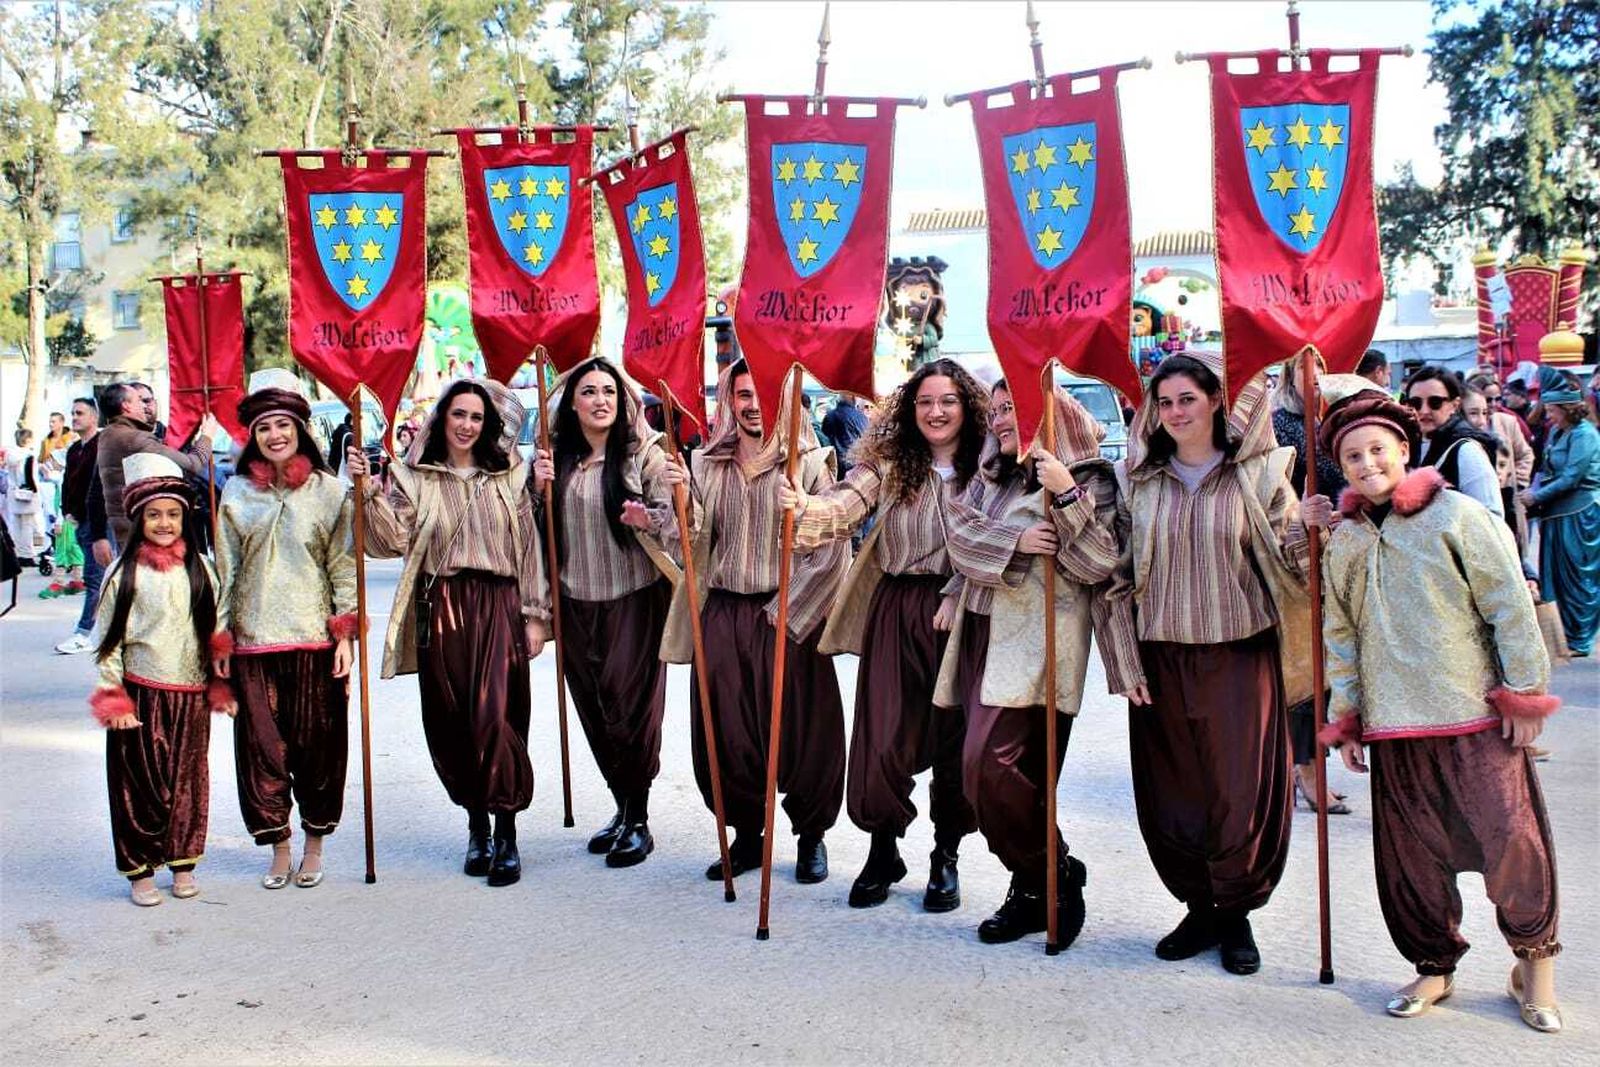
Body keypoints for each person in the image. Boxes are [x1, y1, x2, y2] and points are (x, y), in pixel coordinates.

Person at [1314, 390, 1563, 1033]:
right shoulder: (1344, 543)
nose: (1367, 463)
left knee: (1512, 842)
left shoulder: (1456, 516)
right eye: (1352, 455)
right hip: (1394, 728)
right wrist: (1347, 716)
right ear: (1340, 467)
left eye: (1377, 450)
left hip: (1473, 718)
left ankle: (1534, 969)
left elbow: (1508, 602)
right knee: (1412, 859)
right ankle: (1434, 964)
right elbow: (1340, 635)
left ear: (1404, 449)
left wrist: (1526, 692)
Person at [1117, 353, 1326, 976]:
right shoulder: (1138, 481)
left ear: (1215, 402)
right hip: (1161, 656)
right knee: (1174, 794)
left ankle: (1235, 913)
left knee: (1239, 794)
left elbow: (1294, 561)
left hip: (1240, 654)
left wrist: (1311, 530)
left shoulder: (1258, 477)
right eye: (1165, 401)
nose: (1176, 412)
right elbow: (1113, 573)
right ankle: (1198, 906)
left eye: (1187, 398)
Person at [937, 379, 1146, 946]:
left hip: (1041, 644)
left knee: (999, 771)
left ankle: (1042, 877)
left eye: (1016, 407)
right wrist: (1017, 541)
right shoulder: (989, 479)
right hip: (983, 633)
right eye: (999, 408)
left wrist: (1068, 495)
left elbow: (1100, 562)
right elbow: (958, 537)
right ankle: (1042, 880)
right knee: (984, 780)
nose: (1002, 418)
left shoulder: (1093, 480)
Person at [776, 359, 986, 910]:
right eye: (924, 402)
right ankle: (883, 847)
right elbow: (845, 505)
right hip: (896, 608)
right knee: (882, 736)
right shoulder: (892, 462)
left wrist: (961, 587)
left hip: (964, 611)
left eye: (948, 401)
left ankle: (946, 856)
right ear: (909, 410)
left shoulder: (989, 467)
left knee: (955, 738)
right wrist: (806, 509)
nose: (936, 412)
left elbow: (1005, 534)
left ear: (967, 406)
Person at [349, 378, 549, 887]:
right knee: (452, 721)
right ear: (442, 419)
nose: (467, 425)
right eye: (459, 414)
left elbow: (528, 547)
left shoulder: (508, 476)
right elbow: (387, 541)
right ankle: (476, 826)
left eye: (477, 418)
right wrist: (369, 490)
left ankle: (506, 832)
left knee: (498, 717)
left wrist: (535, 615)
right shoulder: (416, 478)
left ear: (489, 426)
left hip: (500, 604)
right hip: (443, 608)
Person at [661, 360, 849, 885]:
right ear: (728, 401)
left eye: (763, 393)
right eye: (743, 394)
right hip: (723, 613)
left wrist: (788, 614)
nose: (752, 405)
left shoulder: (810, 463)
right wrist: (678, 508)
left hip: (789, 612)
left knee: (805, 733)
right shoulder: (704, 464)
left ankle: (811, 836)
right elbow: (689, 547)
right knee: (727, 734)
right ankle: (746, 836)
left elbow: (832, 546)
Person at [532, 358, 687, 869]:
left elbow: (677, 524)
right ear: (571, 402)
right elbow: (534, 535)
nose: (601, 400)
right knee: (594, 710)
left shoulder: (645, 455)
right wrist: (537, 491)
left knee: (630, 712)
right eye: (589, 392)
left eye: (610, 392)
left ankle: (639, 818)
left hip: (633, 601)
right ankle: (621, 808)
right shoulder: (560, 461)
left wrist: (652, 516)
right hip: (576, 604)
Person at [213, 370, 357, 890]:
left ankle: (315, 844)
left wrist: (345, 633)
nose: (275, 435)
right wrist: (221, 636)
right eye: (264, 427)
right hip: (253, 642)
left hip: (313, 639)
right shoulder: (234, 493)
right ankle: (278, 846)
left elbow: (343, 564)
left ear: (300, 428)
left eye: (283, 424)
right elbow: (225, 569)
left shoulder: (329, 491)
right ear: (252, 435)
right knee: (261, 754)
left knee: (319, 749)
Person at [89, 454, 232, 906]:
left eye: (173, 514)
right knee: (139, 787)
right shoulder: (123, 574)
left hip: (190, 697)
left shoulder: (202, 569)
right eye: (154, 515)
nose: (164, 523)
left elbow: (217, 628)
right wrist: (115, 700)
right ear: (138, 519)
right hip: (142, 695)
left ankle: (183, 862)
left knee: (188, 783)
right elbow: (108, 643)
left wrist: (221, 677)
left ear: (185, 518)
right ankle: (140, 871)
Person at [1269, 351, 1351, 816]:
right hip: (1299, 556)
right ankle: (1305, 769)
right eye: (1303, 369)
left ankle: (1312, 763)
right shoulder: (1283, 426)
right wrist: (1306, 520)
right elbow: (1277, 498)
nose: (1314, 378)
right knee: (1306, 671)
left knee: (1333, 665)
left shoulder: (1337, 420)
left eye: (1320, 368)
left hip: (1344, 554)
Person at [89, 382, 215, 565]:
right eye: (140, 400)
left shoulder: (109, 434)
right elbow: (192, 465)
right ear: (126, 405)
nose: (145, 406)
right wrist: (207, 437)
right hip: (146, 535)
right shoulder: (133, 438)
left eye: (148, 400)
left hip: (133, 533)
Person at [1521, 368, 1600, 657]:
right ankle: (1563, 635)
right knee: (1555, 578)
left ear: (1567, 408)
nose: (1548, 415)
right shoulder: (1557, 432)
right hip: (1554, 514)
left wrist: (1534, 496)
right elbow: (1545, 470)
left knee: (1580, 578)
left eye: (1552, 410)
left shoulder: (1585, 435)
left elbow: (1571, 478)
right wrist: (1532, 492)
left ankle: (1580, 638)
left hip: (1580, 515)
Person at [1402, 366, 1503, 517]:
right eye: (1415, 403)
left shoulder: (1466, 450)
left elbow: (1491, 516)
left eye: (1435, 402)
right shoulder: (1407, 445)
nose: (1424, 410)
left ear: (1455, 405)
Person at [1466, 371, 1537, 548]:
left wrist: (1518, 481)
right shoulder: (1464, 425)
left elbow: (1526, 454)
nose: (1494, 405)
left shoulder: (1507, 421)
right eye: (1488, 400)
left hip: (1507, 496)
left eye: (1498, 399)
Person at [56, 397, 105, 653]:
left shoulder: (102, 446)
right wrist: (66, 513)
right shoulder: (75, 449)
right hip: (80, 521)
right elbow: (67, 483)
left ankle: (83, 633)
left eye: (80, 413)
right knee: (98, 579)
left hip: (100, 522)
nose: (75, 418)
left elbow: (99, 487)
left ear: (94, 417)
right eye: (73, 413)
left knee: (95, 579)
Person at [4, 429, 45, 565]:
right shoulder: (29, 455)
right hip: (27, 494)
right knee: (27, 524)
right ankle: (27, 555)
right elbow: (30, 477)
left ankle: (17, 553)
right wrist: (36, 493)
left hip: (13, 492)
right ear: (28, 440)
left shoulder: (10, 455)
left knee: (15, 524)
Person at [821, 396, 869, 476]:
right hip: (853, 466)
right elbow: (867, 440)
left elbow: (824, 438)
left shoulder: (829, 416)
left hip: (833, 464)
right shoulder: (860, 417)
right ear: (854, 399)